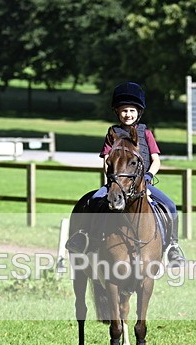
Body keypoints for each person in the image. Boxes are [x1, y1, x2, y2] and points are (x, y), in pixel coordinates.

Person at [66, 81, 185, 267]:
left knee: (170, 206)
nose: (127, 114)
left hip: (142, 184)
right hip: (115, 183)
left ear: (139, 112)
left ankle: (173, 247)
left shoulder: (146, 133)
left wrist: (148, 177)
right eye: (123, 110)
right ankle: (84, 236)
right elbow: (106, 160)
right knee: (93, 201)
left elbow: (156, 160)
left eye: (131, 110)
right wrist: (112, 178)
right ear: (117, 112)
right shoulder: (112, 133)